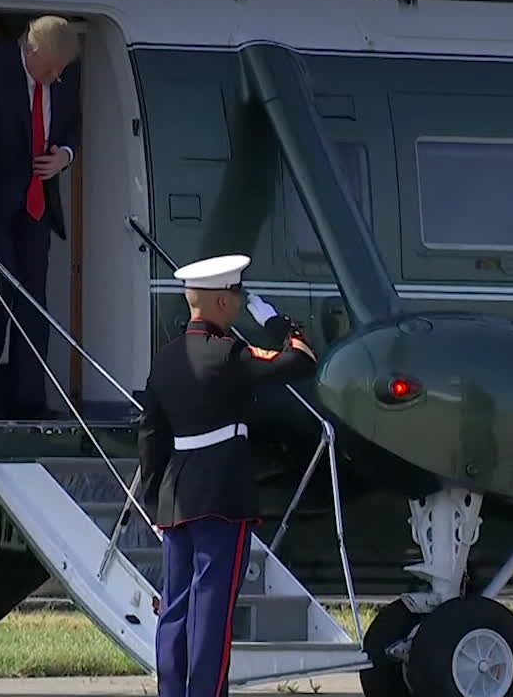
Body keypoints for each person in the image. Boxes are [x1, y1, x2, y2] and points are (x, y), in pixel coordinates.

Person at [136, 254, 317, 697]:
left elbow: (151, 434)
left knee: (176, 607)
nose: (237, 304)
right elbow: (300, 362)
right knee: (211, 608)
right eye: (235, 295)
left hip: (176, 497)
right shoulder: (229, 354)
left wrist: (152, 496)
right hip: (222, 494)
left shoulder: (165, 359)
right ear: (220, 301)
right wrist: (279, 325)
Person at [0, 15, 81, 420]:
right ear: (30, 51)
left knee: (34, 300)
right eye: (48, 69)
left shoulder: (63, 71)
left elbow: (71, 126)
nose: (55, 77)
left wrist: (64, 155)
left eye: (60, 71)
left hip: (36, 205)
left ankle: (29, 400)